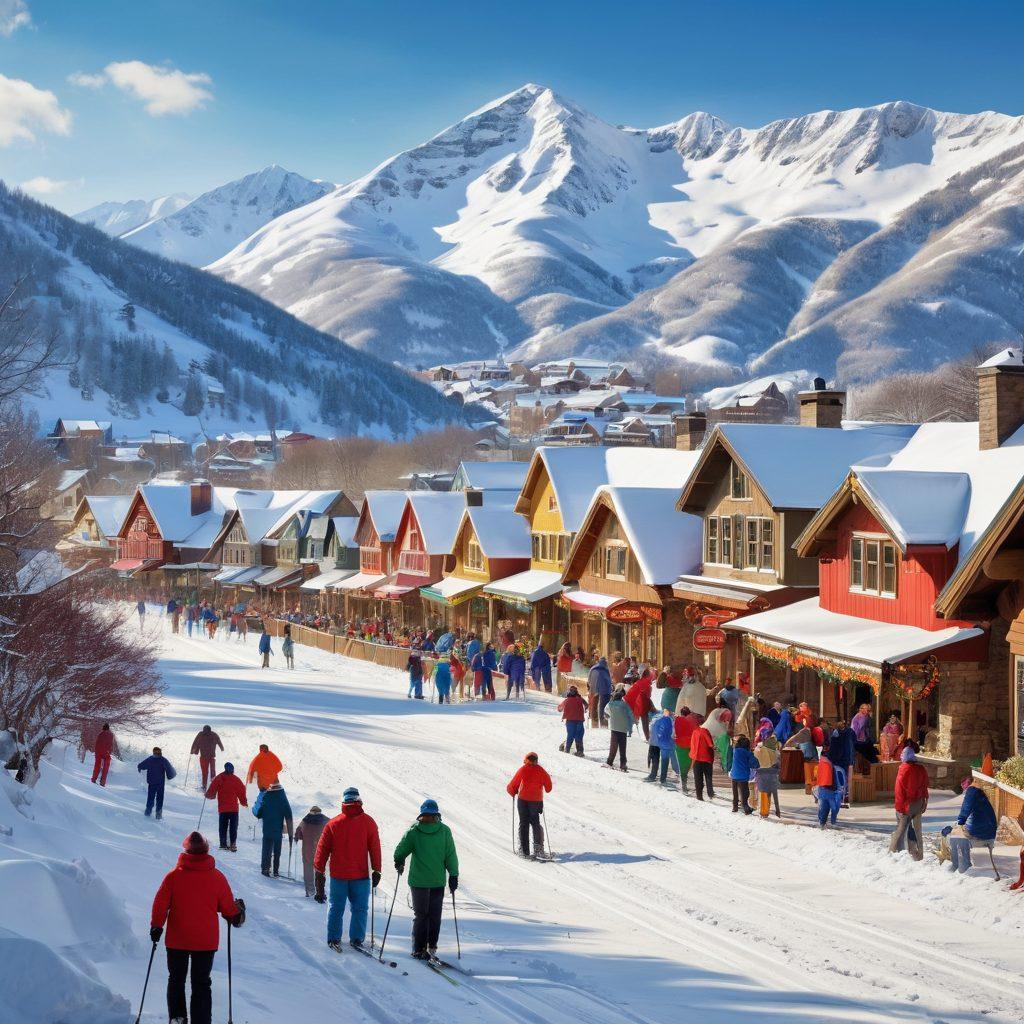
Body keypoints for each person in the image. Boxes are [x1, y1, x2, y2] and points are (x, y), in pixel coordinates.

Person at [150, 831, 244, 1024]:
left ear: (186, 851)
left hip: (178, 939)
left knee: (176, 980)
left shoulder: (173, 877)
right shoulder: (217, 878)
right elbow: (228, 910)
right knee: (201, 983)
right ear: (206, 851)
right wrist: (238, 911)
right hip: (205, 942)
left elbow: (160, 904)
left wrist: (156, 926)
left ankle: (177, 1019)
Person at [314, 788, 382, 948]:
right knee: (360, 909)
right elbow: (375, 847)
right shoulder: (368, 822)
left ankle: (333, 938)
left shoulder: (333, 823)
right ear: (359, 800)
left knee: (336, 908)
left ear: (344, 802)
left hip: (338, 875)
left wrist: (319, 870)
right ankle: (357, 938)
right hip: (360, 876)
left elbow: (322, 848)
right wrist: (377, 869)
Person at [393, 799, 459, 960]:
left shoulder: (414, 831)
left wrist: (399, 861)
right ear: (437, 814)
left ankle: (418, 948)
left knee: (421, 915)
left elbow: (400, 851)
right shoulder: (444, 831)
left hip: (419, 882)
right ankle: (432, 946)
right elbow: (450, 855)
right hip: (437, 881)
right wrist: (453, 875)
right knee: (434, 915)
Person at [506, 753, 553, 858]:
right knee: (535, 823)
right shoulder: (541, 771)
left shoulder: (523, 770)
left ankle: (524, 850)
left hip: (523, 801)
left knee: (523, 823)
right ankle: (538, 849)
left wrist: (512, 791)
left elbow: (512, 785)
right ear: (536, 760)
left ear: (526, 760)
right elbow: (549, 788)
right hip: (536, 801)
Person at [889, 746, 929, 860]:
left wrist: (901, 808)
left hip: (906, 805)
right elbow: (925, 785)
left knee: (900, 830)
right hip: (919, 804)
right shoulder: (921, 768)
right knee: (917, 831)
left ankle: (894, 853)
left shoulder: (904, 769)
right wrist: (925, 800)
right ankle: (919, 855)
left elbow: (899, 790)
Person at [253, 781, 293, 877]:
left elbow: (258, 814)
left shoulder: (266, 797)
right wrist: (291, 836)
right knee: (277, 851)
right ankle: (275, 870)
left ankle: (265, 869)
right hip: (277, 830)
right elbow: (289, 816)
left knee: (266, 849)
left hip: (267, 829)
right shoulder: (282, 798)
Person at [206, 762, 247, 852]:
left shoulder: (220, 777)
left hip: (223, 808)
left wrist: (209, 795)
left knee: (223, 826)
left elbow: (212, 787)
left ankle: (223, 844)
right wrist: (244, 802)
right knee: (233, 827)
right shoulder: (236, 780)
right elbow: (242, 792)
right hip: (233, 809)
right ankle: (233, 844)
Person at [138, 746, 176, 819]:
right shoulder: (163, 760)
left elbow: (142, 765)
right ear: (160, 752)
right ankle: (158, 814)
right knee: (160, 798)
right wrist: (172, 775)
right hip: (160, 783)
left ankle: (148, 812)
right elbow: (170, 769)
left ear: (153, 752)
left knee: (150, 797)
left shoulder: (150, 759)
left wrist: (139, 767)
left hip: (152, 782)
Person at [605, 686, 635, 771]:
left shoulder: (610, 704)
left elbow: (606, 711)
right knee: (622, 747)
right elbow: (630, 715)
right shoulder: (625, 705)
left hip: (614, 728)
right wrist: (633, 722)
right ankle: (623, 764)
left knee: (613, 746)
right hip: (623, 729)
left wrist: (610, 716)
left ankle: (609, 762)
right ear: (621, 697)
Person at [647, 708, 679, 786]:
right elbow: (672, 733)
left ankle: (653, 775)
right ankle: (663, 778)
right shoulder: (669, 720)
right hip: (663, 742)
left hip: (653, 741)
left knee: (655, 759)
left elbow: (652, 729)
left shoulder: (656, 717)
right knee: (665, 760)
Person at [827, 719, 856, 806]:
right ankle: (843, 796)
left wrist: (831, 758)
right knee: (842, 778)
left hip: (843, 759)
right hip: (843, 759)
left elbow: (833, 746)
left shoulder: (842, 732)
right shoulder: (847, 732)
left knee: (841, 778)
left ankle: (844, 796)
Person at [813, 751, 844, 828]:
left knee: (825, 809)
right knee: (832, 809)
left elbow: (816, 779)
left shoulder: (821, 765)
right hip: (830, 790)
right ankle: (829, 823)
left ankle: (823, 824)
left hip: (825, 790)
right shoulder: (836, 768)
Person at [753, 736, 781, 818]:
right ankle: (775, 810)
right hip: (772, 775)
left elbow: (755, 762)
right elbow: (778, 765)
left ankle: (764, 812)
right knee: (771, 793)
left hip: (761, 774)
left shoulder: (758, 749)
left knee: (764, 793)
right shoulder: (775, 752)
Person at [625, 668, 655, 741]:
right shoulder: (646, 683)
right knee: (644, 718)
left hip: (630, 700)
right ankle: (648, 737)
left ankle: (628, 733)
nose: (652, 677)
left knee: (632, 718)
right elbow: (647, 696)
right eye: (651, 675)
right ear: (648, 675)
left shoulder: (640, 682)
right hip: (637, 702)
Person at [190, 725, 224, 790]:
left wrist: (193, 751)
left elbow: (195, 743)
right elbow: (219, 742)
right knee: (212, 772)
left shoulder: (201, 734)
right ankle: (213, 786)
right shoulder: (214, 734)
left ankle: (204, 786)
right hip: (211, 757)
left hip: (204, 757)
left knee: (205, 772)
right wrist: (222, 748)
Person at [689, 718, 716, 801]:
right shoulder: (705, 731)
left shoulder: (694, 732)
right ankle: (710, 793)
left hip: (696, 759)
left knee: (698, 778)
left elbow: (692, 745)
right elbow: (710, 744)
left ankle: (699, 795)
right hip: (706, 759)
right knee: (708, 777)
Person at [730, 735, 757, 814]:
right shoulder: (748, 753)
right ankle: (746, 808)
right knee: (745, 792)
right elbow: (754, 764)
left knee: (735, 792)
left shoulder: (735, 750)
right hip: (743, 777)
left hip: (734, 775)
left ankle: (735, 807)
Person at [558, 685, 587, 756]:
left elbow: (559, 709)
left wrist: (562, 709)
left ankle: (567, 750)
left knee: (570, 735)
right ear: (577, 692)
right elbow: (586, 705)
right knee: (578, 736)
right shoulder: (580, 699)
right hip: (579, 720)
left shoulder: (567, 700)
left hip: (570, 721)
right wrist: (585, 709)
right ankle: (580, 751)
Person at [674, 708, 698, 793]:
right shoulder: (691, 721)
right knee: (687, 765)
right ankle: (684, 785)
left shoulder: (677, 720)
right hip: (689, 745)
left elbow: (674, 731)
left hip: (679, 745)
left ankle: (683, 784)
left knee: (680, 765)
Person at [705, 700, 733, 772]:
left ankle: (723, 766)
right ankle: (726, 768)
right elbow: (725, 723)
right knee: (725, 752)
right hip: (721, 735)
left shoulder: (715, 711)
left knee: (719, 752)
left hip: (713, 735)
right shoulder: (727, 712)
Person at [588, 656, 613, 726]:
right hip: (605, 691)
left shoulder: (593, 668)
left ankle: (594, 723)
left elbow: (589, 679)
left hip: (594, 689)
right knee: (603, 706)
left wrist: (591, 687)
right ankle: (604, 723)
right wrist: (610, 689)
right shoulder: (606, 669)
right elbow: (609, 681)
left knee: (594, 705)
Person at [91, 722, 118, 786]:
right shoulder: (111, 735)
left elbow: (97, 743)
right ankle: (102, 782)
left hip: (98, 752)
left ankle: (94, 779)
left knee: (97, 765)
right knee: (106, 766)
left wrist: (96, 751)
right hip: (106, 752)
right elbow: (111, 745)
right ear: (108, 728)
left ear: (103, 728)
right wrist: (109, 752)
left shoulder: (100, 734)